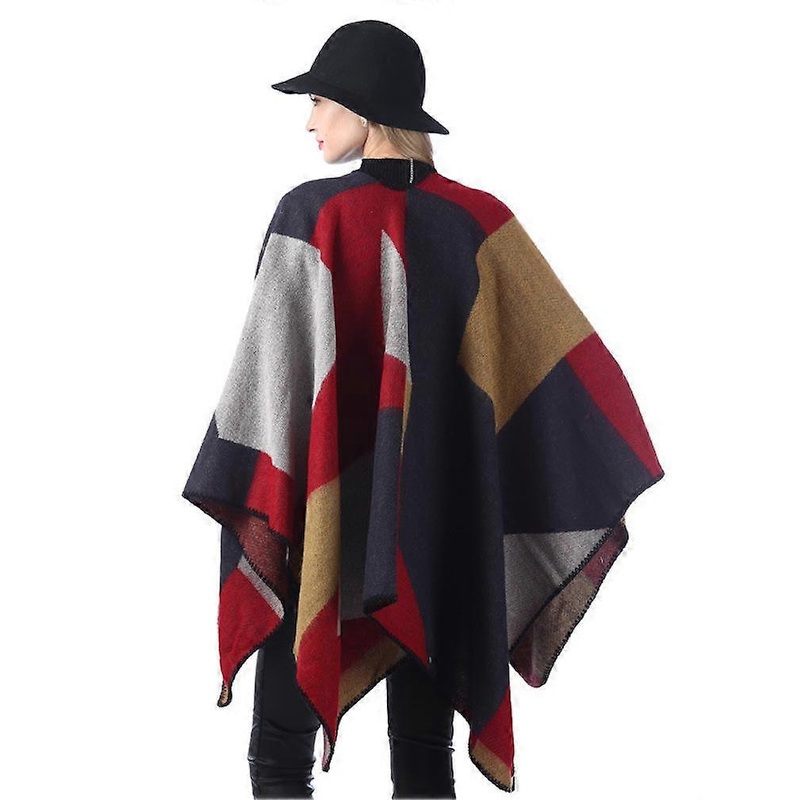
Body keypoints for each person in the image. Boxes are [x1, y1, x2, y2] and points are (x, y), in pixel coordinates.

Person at [182, 17, 664, 800]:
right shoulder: (477, 223)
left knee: (279, 759)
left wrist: (271, 488)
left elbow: (268, 400)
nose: (309, 120)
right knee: (423, 759)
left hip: (318, 517)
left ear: (362, 105)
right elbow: (573, 374)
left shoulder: (310, 216)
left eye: (319, 101)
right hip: (434, 533)